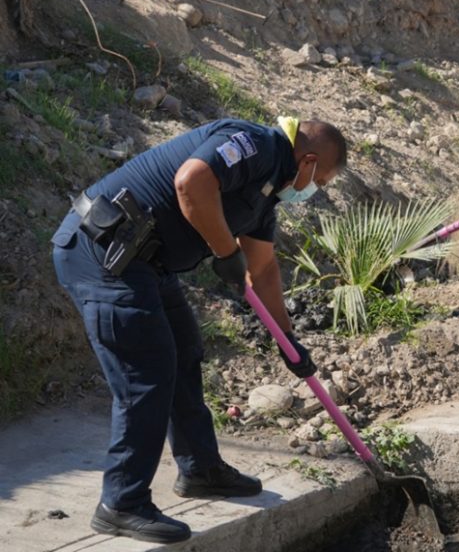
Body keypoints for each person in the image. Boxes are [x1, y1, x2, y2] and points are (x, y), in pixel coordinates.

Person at [51, 117, 346, 543]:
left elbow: (261, 269)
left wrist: (288, 340)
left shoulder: (268, 192)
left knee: (185, 353)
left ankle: (200, 469)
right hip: (103, 253)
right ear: (309, 161)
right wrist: (225, 250)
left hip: (148, 263)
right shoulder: (255, 146)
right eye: (322, 180)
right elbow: (191, 181)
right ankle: (122, 503)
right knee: (146, 375)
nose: (314, 190)